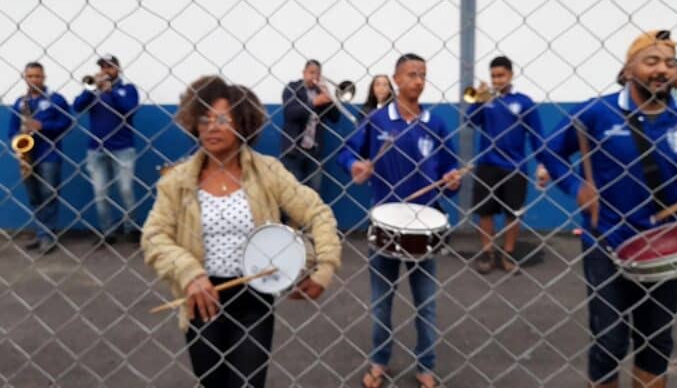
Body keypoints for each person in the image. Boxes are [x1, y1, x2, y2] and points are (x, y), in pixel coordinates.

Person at [541, 30, 677, 388]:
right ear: (629, 69)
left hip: (665, 248)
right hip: (607, 243)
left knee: (656, 343)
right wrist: (576, 186)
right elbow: (549, 149)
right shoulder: (597, 112)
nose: (662, 69)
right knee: (609, 341)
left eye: (669, 62)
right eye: (651, 61)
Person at [142, 76, 342, 388]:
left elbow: (317, 212)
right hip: (202, 299)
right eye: (204, 119)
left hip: (254, 300)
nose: (211, 127)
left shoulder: (268, 171)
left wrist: (326, 266)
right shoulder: (177, 181)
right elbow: (154, 236)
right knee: (213, 380)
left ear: (243, 124)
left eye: (222, 119)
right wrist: (189, 273)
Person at [338, 53, 462, 388]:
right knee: (381, 304)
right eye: (411, 74)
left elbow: (452, 169)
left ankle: (426, 365)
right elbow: (347, 152)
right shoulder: (377, 120)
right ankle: (380, 361)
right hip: (385, 226)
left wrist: (453, 181)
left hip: (426, 228)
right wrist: (355, 166)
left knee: (427, 305)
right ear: (396, 79)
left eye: (422, 74)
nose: (418, 81)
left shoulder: (435, 124)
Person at [466, 55, 545, 274]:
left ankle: (508, 254)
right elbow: (470, 122)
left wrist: (541, 163)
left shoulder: (524, 102)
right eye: (493, 76)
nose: (497, 80)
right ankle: (487, 253)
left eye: (501, 75)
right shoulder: (486, 100)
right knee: (485, 212)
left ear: (511, 75)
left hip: (515, 166)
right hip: (487, 164)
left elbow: (536, 134)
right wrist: (479, 101)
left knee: (513, 214)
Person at [73, 55, 140, 244]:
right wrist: (90, 90)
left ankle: (131, 228)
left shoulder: (128, 90)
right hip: (96, 150)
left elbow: (130, 109)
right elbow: (77, 107)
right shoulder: (93, 91)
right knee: (100, 193)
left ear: (118, 69)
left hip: (123, 149)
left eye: (110, 67)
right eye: (102, 67)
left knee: (126, 189)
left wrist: (110, 92)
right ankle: (107, 232)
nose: (106, 71)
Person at [8, 62, 71, 254]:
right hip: (27, 156)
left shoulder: (56, 99)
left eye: (38, 76)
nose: (34, 79)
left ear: (44, 77)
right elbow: (11, 129)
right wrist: (17, 141)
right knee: (34, 196)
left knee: (48, 195)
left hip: (48, 154)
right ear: (25, 77)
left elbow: (67, 122)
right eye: (31, 76)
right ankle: (42, 232)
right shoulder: (20, 102)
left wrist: (42, 126)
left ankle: (47, 236)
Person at [280, 59, 340, 193]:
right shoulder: (292, 88)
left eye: (318, 74)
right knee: (292, 194)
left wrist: (329, 98)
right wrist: (313, 103)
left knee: (315, 192)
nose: (314, 76)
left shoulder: (321, 93)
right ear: (304, 73)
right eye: (311, 72)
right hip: (294, 151)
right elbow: (290, 113)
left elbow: (336, 118)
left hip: (314, 152)